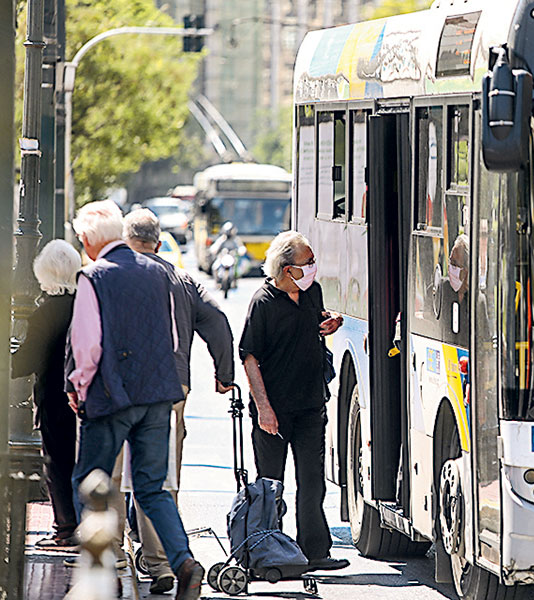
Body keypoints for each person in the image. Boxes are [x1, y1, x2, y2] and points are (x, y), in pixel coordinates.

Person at [65, 200, 205, 600]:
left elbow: (87, 347)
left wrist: (78, 388)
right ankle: (183, 562)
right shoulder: (160, 273)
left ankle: (102, 570)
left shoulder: (93, 276)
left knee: (89, 481)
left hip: (111, 396)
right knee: (152, 488)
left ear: (91, 239)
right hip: (158, 395)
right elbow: (173, 339)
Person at [123, 208, 235, 594]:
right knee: (161, 473)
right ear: (158, 243)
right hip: (173, 387)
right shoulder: (182, 279)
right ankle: (164, 562)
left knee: (115, 473)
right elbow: (218, 321)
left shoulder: (115, 274)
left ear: (127, 241)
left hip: (123, 388)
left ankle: (128, 555)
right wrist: (224, 374)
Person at [238, 231, 348, 570]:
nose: (314, 267)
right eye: (308, 262)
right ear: (288, 269)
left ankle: (315, 552)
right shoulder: (263, 302)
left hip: (311, 405)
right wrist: (264, 409)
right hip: (275, 410)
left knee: (312, 482)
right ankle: (269, 552)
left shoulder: (312, 291)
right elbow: (249, 358)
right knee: (271, 486)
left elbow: (318, 320)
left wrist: (333, 321)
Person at [11, 240, 82, 549]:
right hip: (85, 396)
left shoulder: (44, 313)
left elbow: (27, 360)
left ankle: (65, 528)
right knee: (80, 461)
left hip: (54, 398)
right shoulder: (84, 306)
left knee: (56, 463)